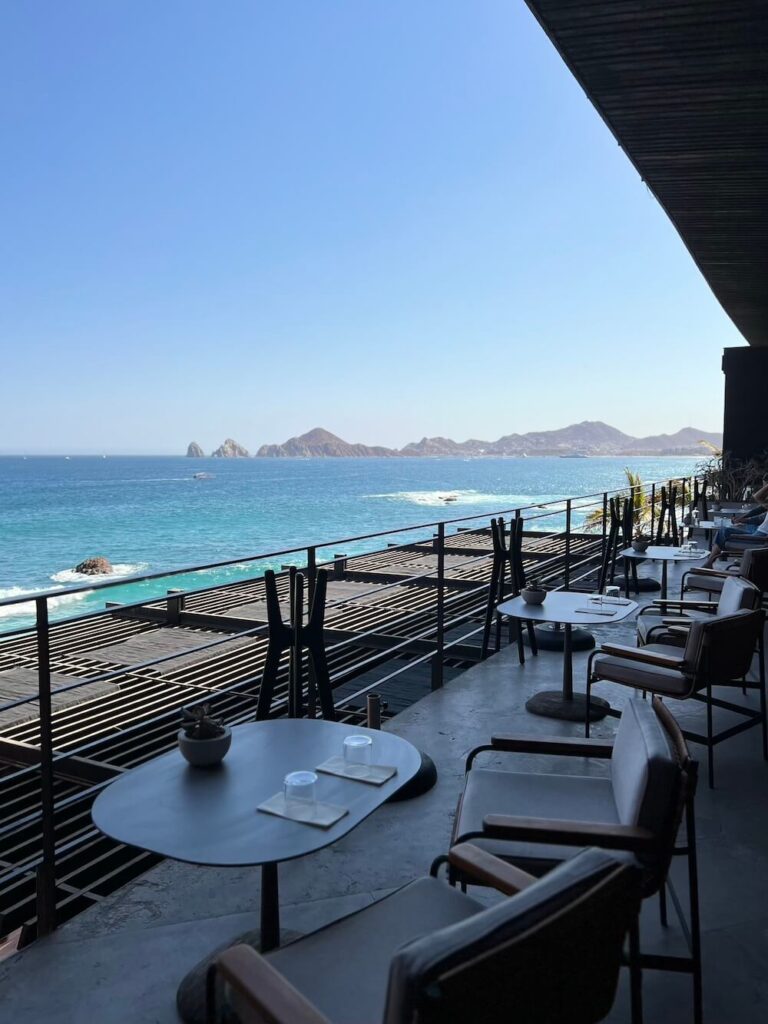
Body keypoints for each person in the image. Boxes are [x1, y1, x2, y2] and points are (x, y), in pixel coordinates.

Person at [702, 479, 768, 568]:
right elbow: (761, 513)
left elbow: (757, 497)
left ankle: (710, 562)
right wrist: (743, 519)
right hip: (759, 535)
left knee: (724, 532)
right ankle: (711, 561)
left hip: (760, 539)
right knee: (724, 532)